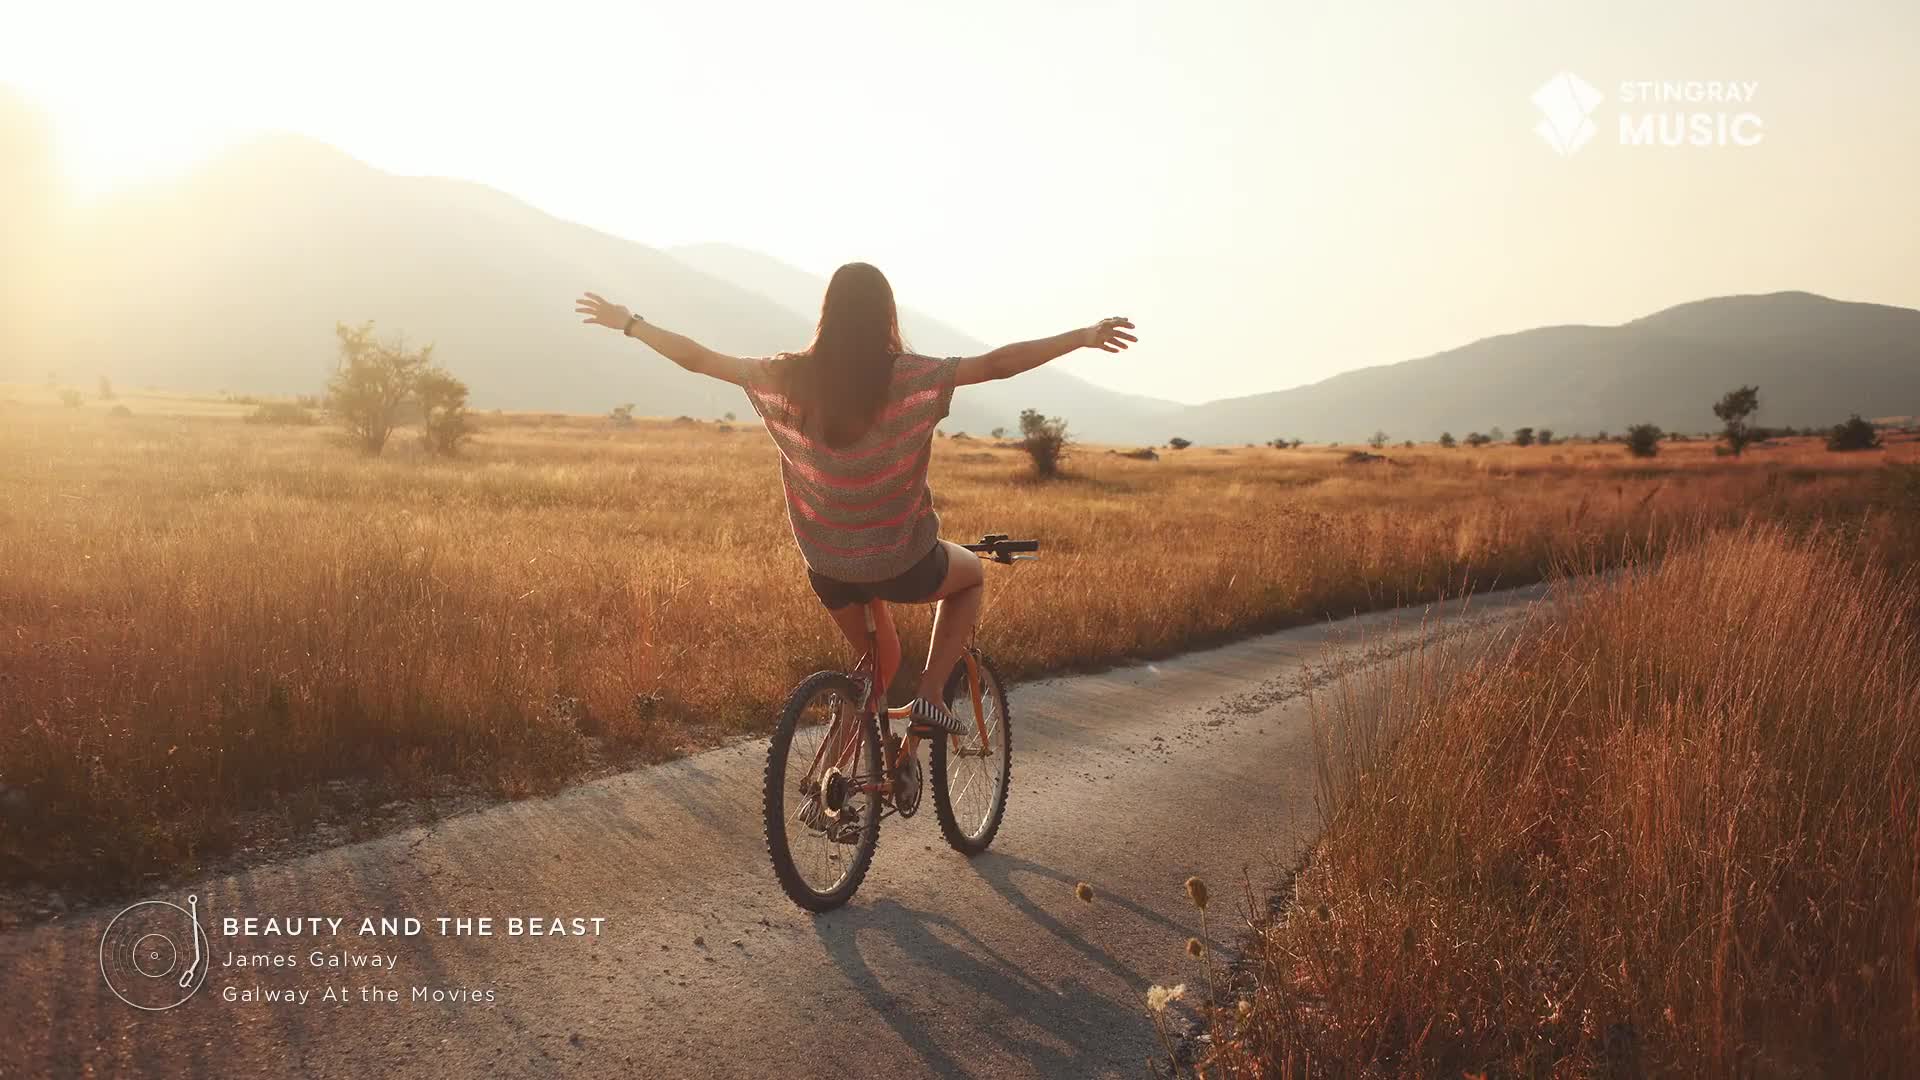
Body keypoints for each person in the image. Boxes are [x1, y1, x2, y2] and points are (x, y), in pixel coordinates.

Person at [575, 263, 1134, 733]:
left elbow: (698, 358)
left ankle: (839, 778)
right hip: (903, 561)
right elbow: (997, 364)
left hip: (828, 565)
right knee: (971, 578)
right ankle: (933, 699)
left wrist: (630, 323)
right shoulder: (914, 376)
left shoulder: (787, 377)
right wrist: (1080, 336)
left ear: (827, 315)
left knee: (877, 661)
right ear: (886, 316)